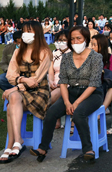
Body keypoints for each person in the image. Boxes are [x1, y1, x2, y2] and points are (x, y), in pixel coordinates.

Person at [30, 26, 104, 162]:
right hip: (71, 92)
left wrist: (75, 103)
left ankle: (88, 149)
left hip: (92, 94)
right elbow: (63, 82)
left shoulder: (96, 57)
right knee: (51, 113)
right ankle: (43, 148)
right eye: (73, 39)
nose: (75, 42)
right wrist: (66, 102)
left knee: (78, 113)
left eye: (78, 38)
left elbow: (93, 84)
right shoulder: (66, 57)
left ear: (86, 39)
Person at [0, 21, 52, 164]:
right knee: (13, 98)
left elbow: (35, 81)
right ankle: (18, 140)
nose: (26, 34)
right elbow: (10, 76)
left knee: (12, 102)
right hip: (22, 92)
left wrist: (16, 86)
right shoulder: (18, 51)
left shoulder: (45, 52)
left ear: (38, 33)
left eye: (29, 31)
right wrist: (21, 80)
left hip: (40, 92)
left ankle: (11, 145)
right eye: (24, 31)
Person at [48, 31, 70, 128]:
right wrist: (51, 82)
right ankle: (55, 120)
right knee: (44, 92)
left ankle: (52, 118)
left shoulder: (73, 54)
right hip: (55, 83)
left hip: (66, 84)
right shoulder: (54, 53)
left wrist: (60, 84)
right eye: (59, 40)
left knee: (50, 97)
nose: (61, 42)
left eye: (64, 40)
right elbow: (51, 71)